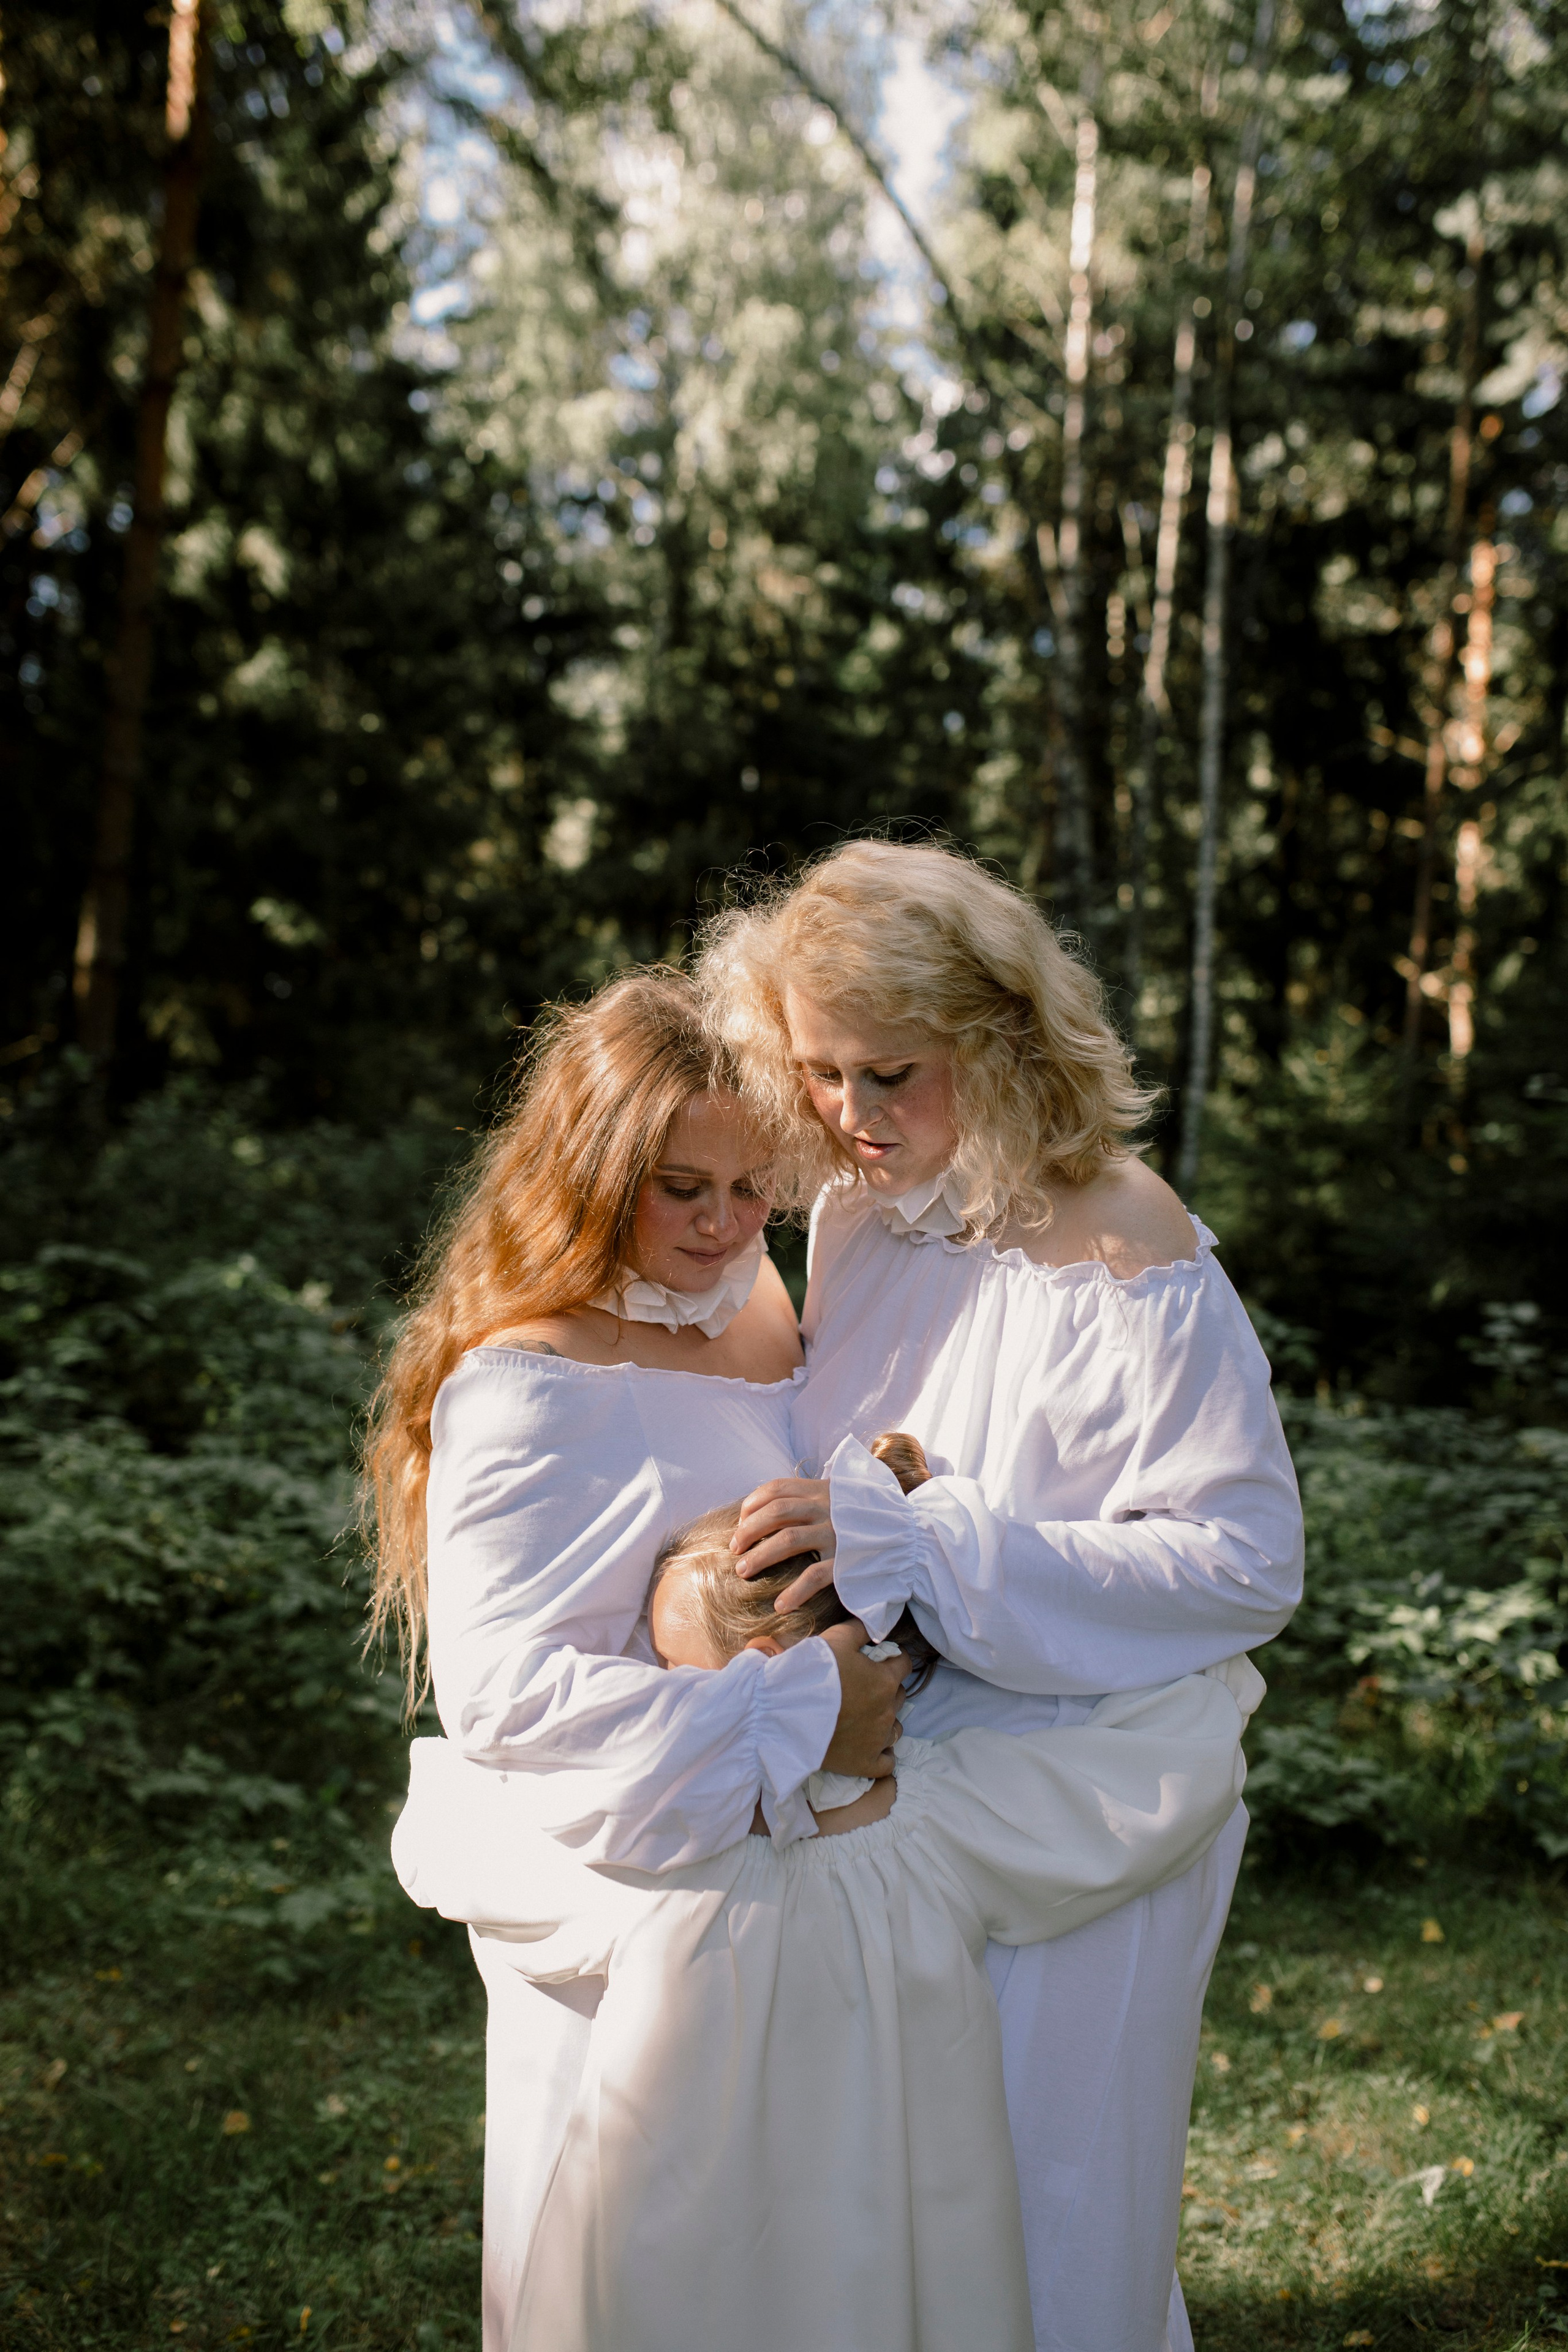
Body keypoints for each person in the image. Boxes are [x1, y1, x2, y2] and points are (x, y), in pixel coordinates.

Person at [701, 839, 1306, 2352]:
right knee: (903, 2207)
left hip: (1092, 1796)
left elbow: (1243, 1563)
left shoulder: (1128, 1242)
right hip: (904, 1789)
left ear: (999, 1040)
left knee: (1054, 2206)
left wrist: (929, 1550)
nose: (849, 1115)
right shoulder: (858, 1218)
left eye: (889, 1074)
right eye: (819, 1073)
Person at [393, 1433, 1261, 2352]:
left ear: (769, 1664)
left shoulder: (660, 1854)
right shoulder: (936, 1824)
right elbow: (1157, 1776)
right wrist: (1207, 1675)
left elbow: (443, 1835)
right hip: (892, 2223)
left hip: (681, 2212)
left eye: (673, 1675)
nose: (659, 1697)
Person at [362, 968, 908, 2352]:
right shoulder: (528, 1375)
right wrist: (803, 1712)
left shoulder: (757, 1300)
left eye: (754, 1187)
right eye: (682, 1189)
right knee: (642, 2268)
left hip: (792, 1861)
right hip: (639, 1865)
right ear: (596, 1171)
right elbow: (507, 1697)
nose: (725, 1224)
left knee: (799, 2256)